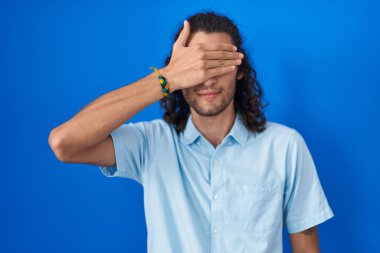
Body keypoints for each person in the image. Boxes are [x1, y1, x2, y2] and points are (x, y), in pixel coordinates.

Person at [48, 11, 334, 253]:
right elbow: (64, 143)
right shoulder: (150, 143)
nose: (207, 79)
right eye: (196, 66)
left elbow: (305, 241)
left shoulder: (285, 146)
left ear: (240, 70)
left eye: (219, 63)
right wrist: (168, 76)